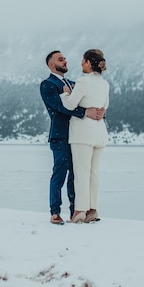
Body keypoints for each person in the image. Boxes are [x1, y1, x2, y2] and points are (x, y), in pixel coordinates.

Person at [40, 50, 105, 225]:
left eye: (65, 58)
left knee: (78, 175)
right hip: (60, 135)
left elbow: (85, 99)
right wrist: (86, 112)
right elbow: (59, 106)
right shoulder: (47, 84)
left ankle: (76, 211)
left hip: (79, 135)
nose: (66, 61)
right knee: (59, 173)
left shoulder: (73, 83)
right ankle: (55, 212)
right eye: (61, 59)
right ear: (51, 65)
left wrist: (98, 111)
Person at [60, 49, 109, 223]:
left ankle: (79, 210)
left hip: (82, 134)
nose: (81, 63)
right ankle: (93, 210)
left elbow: (70, 105)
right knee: (94, 173)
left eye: (83, 60)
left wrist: (66, 93)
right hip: (100, 133)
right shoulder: (104, 84)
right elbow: (104, 107)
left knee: (81, 173)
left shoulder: (82, 82)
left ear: (89, 63)